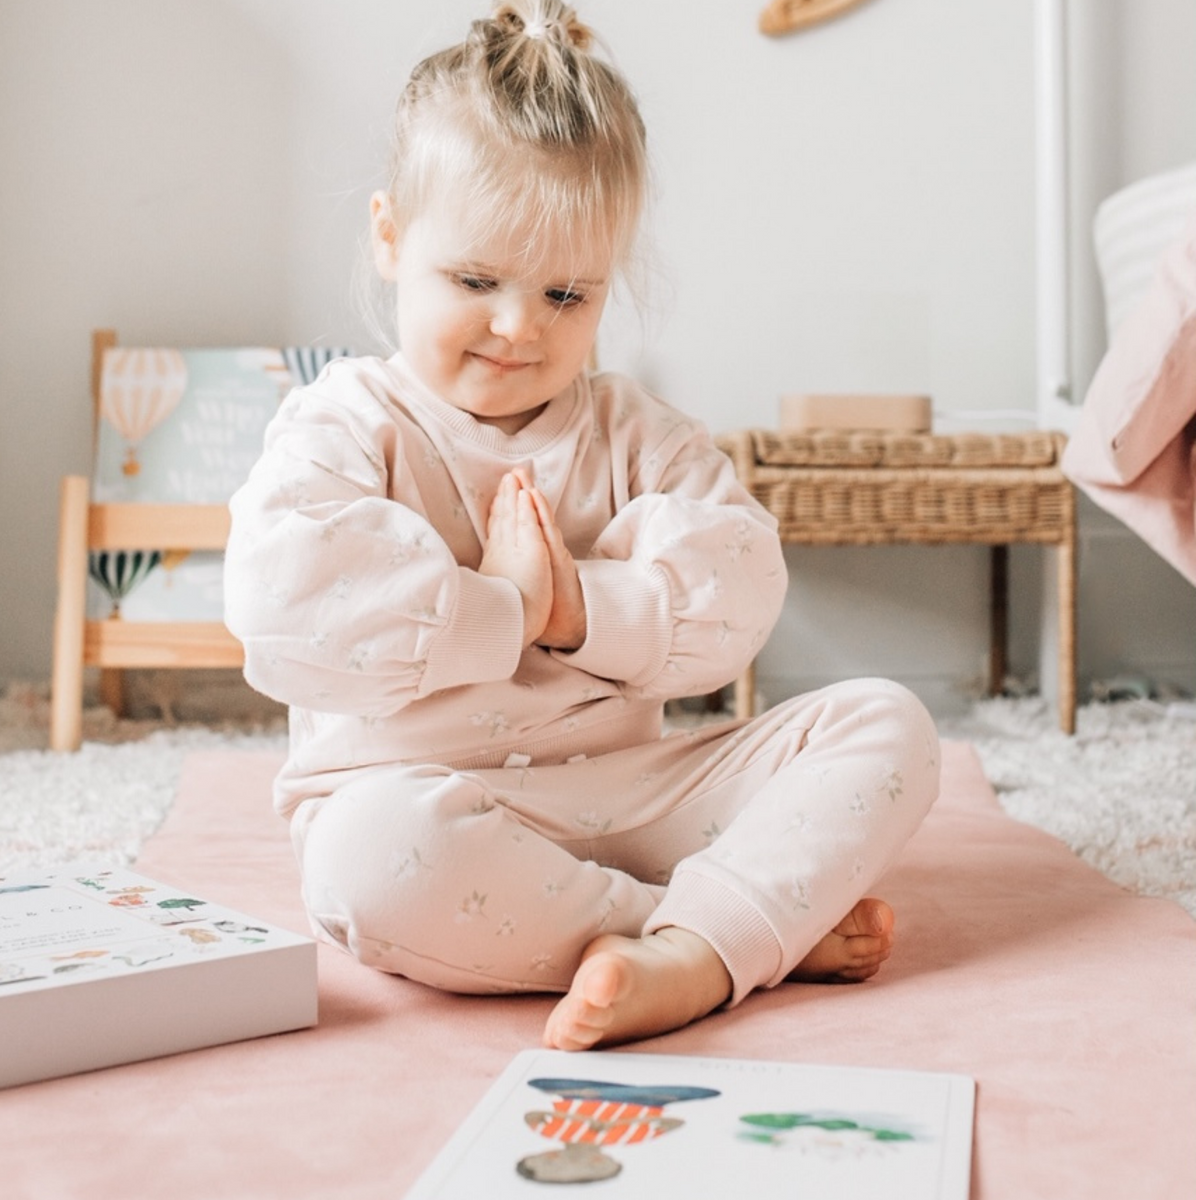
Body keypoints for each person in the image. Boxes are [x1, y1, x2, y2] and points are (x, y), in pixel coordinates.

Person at [223, 0, 940, 1052]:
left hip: (634, 797)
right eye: (476, 281)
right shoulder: (345, 420)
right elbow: (285, 606)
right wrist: (505, 606)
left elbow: (740, 590)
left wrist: (577, 608)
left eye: (567, 292)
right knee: (365, 862)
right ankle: (709, 930)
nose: (520, 327)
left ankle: (698, 933)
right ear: (389, 236)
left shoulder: (634, 430)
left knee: (887, 725)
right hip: (420, 802)